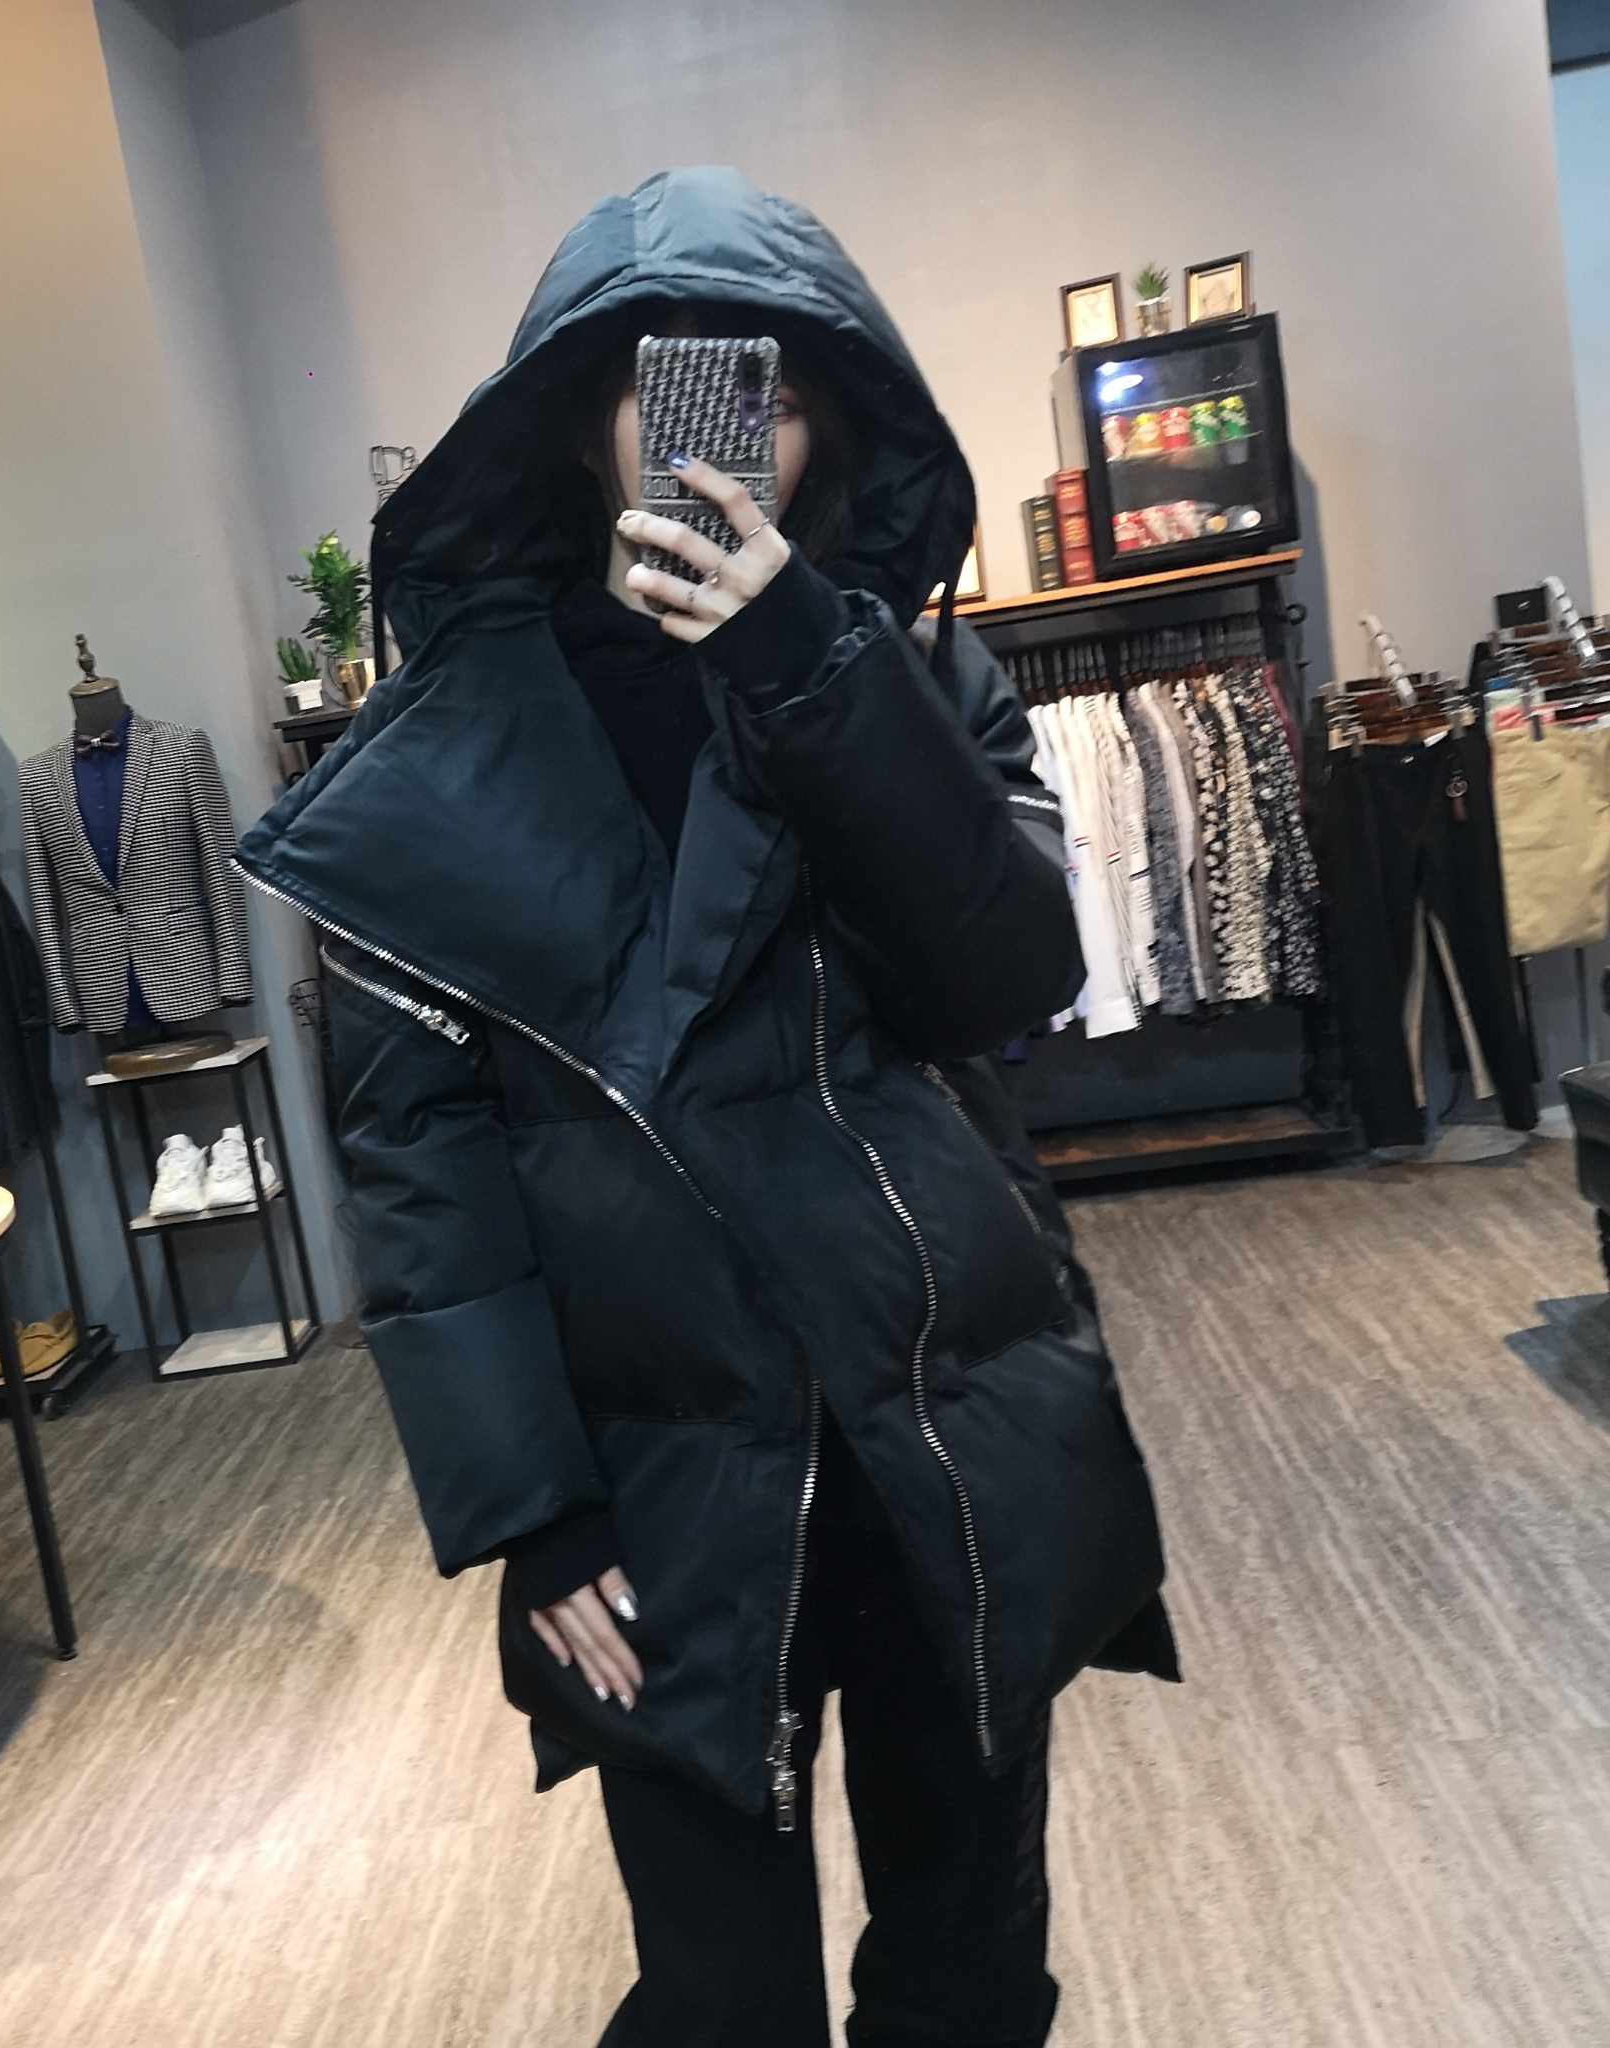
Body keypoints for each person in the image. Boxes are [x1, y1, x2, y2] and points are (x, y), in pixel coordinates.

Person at [236, 166, 1179, 2047]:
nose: (716, 435)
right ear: (579, 420)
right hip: (664, 1470)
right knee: (717, 1996)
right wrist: (528, 1509)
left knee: (971, 1960)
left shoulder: (910, 673)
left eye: (773, 394)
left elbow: (1007, 979)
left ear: (835, 431)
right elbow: (419, 1162)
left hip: (943, 1413)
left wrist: (803, 661)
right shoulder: (448, 755)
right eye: (657, 386)